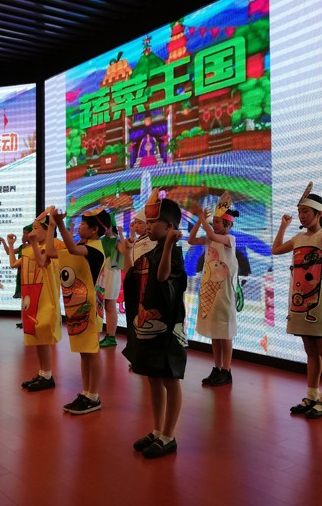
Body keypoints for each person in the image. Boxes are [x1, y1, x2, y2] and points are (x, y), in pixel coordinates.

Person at [122, 191, 187, 459]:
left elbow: (162, 277)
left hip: (168, 328)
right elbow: (132, 277)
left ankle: (169, 435)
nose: (147, 227)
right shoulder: (151, 252)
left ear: (169, 226)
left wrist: (169, 245)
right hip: (150, 328)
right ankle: (157, 429)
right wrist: (126, 252)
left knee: (170, 380)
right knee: (152, 377)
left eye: (152, 223)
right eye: (146, 223)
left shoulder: (174, 253)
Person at [271, 184, 322, 419]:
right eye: (300, 212)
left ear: (318, 214)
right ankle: (312, 396)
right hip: (302, 302)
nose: (302, 216)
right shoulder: (299, 238)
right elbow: (275, 249)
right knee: (310, 351)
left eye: (306, 211)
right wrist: (283, 226)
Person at [50, 206, 108, 414]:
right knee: (84, 353)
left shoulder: (95, 249)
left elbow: (73, 250)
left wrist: (59, 223)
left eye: (83, 224)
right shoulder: (84, 245)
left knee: (92, 351)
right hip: (79, 304)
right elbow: (54, 253)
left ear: (94, 230)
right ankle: (86, 392)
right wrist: (53, 227)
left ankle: (94, 395)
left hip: (89, 306)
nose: (80, 227)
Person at [187, 192, 240, 386]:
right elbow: (191, 240)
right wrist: (199, 221)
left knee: (224, 332)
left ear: (228, 224)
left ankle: (226, 369)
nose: (215, 224)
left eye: (218, 222)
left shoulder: (229, 239)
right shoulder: (211, 239)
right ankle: (217, 367)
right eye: (214, 221)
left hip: (224, 292)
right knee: (215, 332)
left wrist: (201, 217)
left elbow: (210, 234)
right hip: (210, 290)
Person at [7, 212, 64, 390]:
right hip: (32, 295)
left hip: (45, 296)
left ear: (47, 230)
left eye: (36, 228)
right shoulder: (30, 249)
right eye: (32, 228)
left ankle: (47, 374)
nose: (32, 231)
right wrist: (11, 245)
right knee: (37, 336)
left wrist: (32, 243)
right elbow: (14, 264)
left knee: (43, 334)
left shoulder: (52, 246)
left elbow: (42, 263)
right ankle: (43, 373)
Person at [98, 217, 124, 348]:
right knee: (105, 306)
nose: (104, 230)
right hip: (102, 276)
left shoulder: (117, 240)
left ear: (111, 227)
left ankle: (111, 336)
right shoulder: (102, 240)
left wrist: (122, 235)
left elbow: (124, 251)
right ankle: (108, 335)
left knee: (110, 305)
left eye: (106, 227)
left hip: (112, 275)